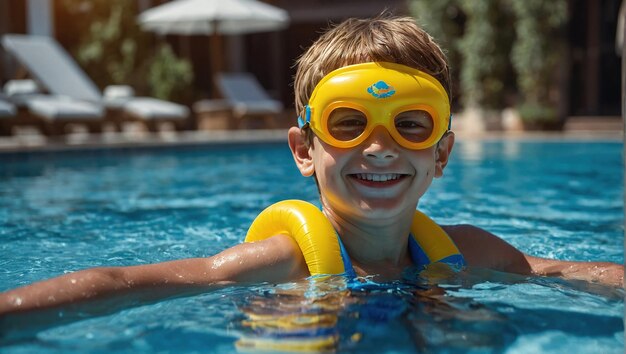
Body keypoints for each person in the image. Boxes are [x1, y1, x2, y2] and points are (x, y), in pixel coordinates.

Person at [1, 15, 623, 324]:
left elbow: (565, 271)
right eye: (348, 123)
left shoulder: (466, 252)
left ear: (442, 153)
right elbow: (125, 282)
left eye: (411, 124)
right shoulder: (279, 262)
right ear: (304, 150)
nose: (380, 147)